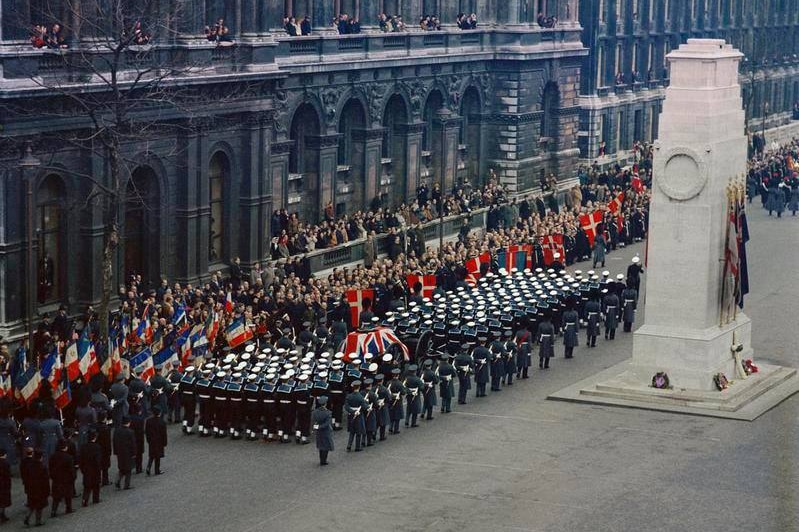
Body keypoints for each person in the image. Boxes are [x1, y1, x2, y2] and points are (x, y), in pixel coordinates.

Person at [21, 449, 49, 527]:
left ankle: (27, 517)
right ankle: (38, 521)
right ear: (41, 457)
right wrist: (47, 491)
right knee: (39, 507)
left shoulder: (30, 466)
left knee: (32, 505)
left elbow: (26, 477)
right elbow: (45, 481)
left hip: (31, 489)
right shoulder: (43, 467)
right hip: (40, 490)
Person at [49, 439, 75, 517]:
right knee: (68, 495)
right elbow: (71, 470)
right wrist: (73, 477)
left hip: (57, 479)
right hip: (66, 479)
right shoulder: (68, 457)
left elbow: (50, 467)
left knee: (56, 497)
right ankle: (68, 508)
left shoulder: (53, 456)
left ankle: (53, 511)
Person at [79, 430, 102, 506]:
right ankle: (96, 499)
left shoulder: (83, 447)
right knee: (96, 485)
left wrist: (82, 468)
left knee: (87, 486)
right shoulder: (97, 447)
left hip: (86, 469)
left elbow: (81, 459)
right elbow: (97, 460)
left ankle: (84, 499)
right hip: (94, 469)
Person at [113, 417, 135, 490]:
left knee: (122, 467)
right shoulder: (130, 432)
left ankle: (118, 480)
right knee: (128, 469)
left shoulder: (117, 431)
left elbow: (114, 442)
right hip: (128, 453)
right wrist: (134, 453)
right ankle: (127, 485)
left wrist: (115, 451)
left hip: (120, 452)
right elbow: (133, 444)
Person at [344, 380, 366, 452]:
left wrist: (352, 412)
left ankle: (349, 445)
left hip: (351, 415)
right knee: (358, 432)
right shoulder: (360, 397)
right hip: (358, 415)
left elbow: (346, 407)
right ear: (359, 387)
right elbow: (364, 406)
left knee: (352, 432)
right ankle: (357, 446)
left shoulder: (349, 396)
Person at [144, 407, 167, 476]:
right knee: (158, 456)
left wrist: (148, 440)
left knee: (152, 455)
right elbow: (164, 434)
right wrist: (165, 442)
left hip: (151, 440)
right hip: (159, 441)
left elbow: (146, 431)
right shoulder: (162, 422)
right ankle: (157, 470)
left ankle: (148, 467)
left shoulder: (148, 421)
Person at [311, 396, 333, 465]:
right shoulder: (328, 413)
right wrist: (320, 427)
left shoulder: (315, 412)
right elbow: (327, 423)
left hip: (318, 432)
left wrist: (316, 427)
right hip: (326, 431)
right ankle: (324, 460)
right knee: (326, 446)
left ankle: (321, 459)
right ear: (325, 403)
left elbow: (314, 421)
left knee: (320, 446)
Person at [0, 449, 10, 523]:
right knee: (3, 501)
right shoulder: (5, 464)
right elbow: (7, 476)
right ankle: (2, 515)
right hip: (3, 484)